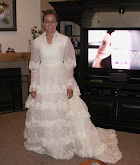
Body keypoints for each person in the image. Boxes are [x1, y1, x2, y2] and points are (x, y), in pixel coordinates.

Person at [24, 9, 122, 164]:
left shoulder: (64, 40)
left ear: (56, 23)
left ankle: (65, 142)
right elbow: (34, 66)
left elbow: (70, 64)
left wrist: (69, 85)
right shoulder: (37, 42)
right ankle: (47, 142)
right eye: (47, 21)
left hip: (61, 78)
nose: (50, 24)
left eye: (53, 21)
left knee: (65, 111)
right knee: (47, 112)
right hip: (44, 80)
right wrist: (33, 86)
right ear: (43, 24)